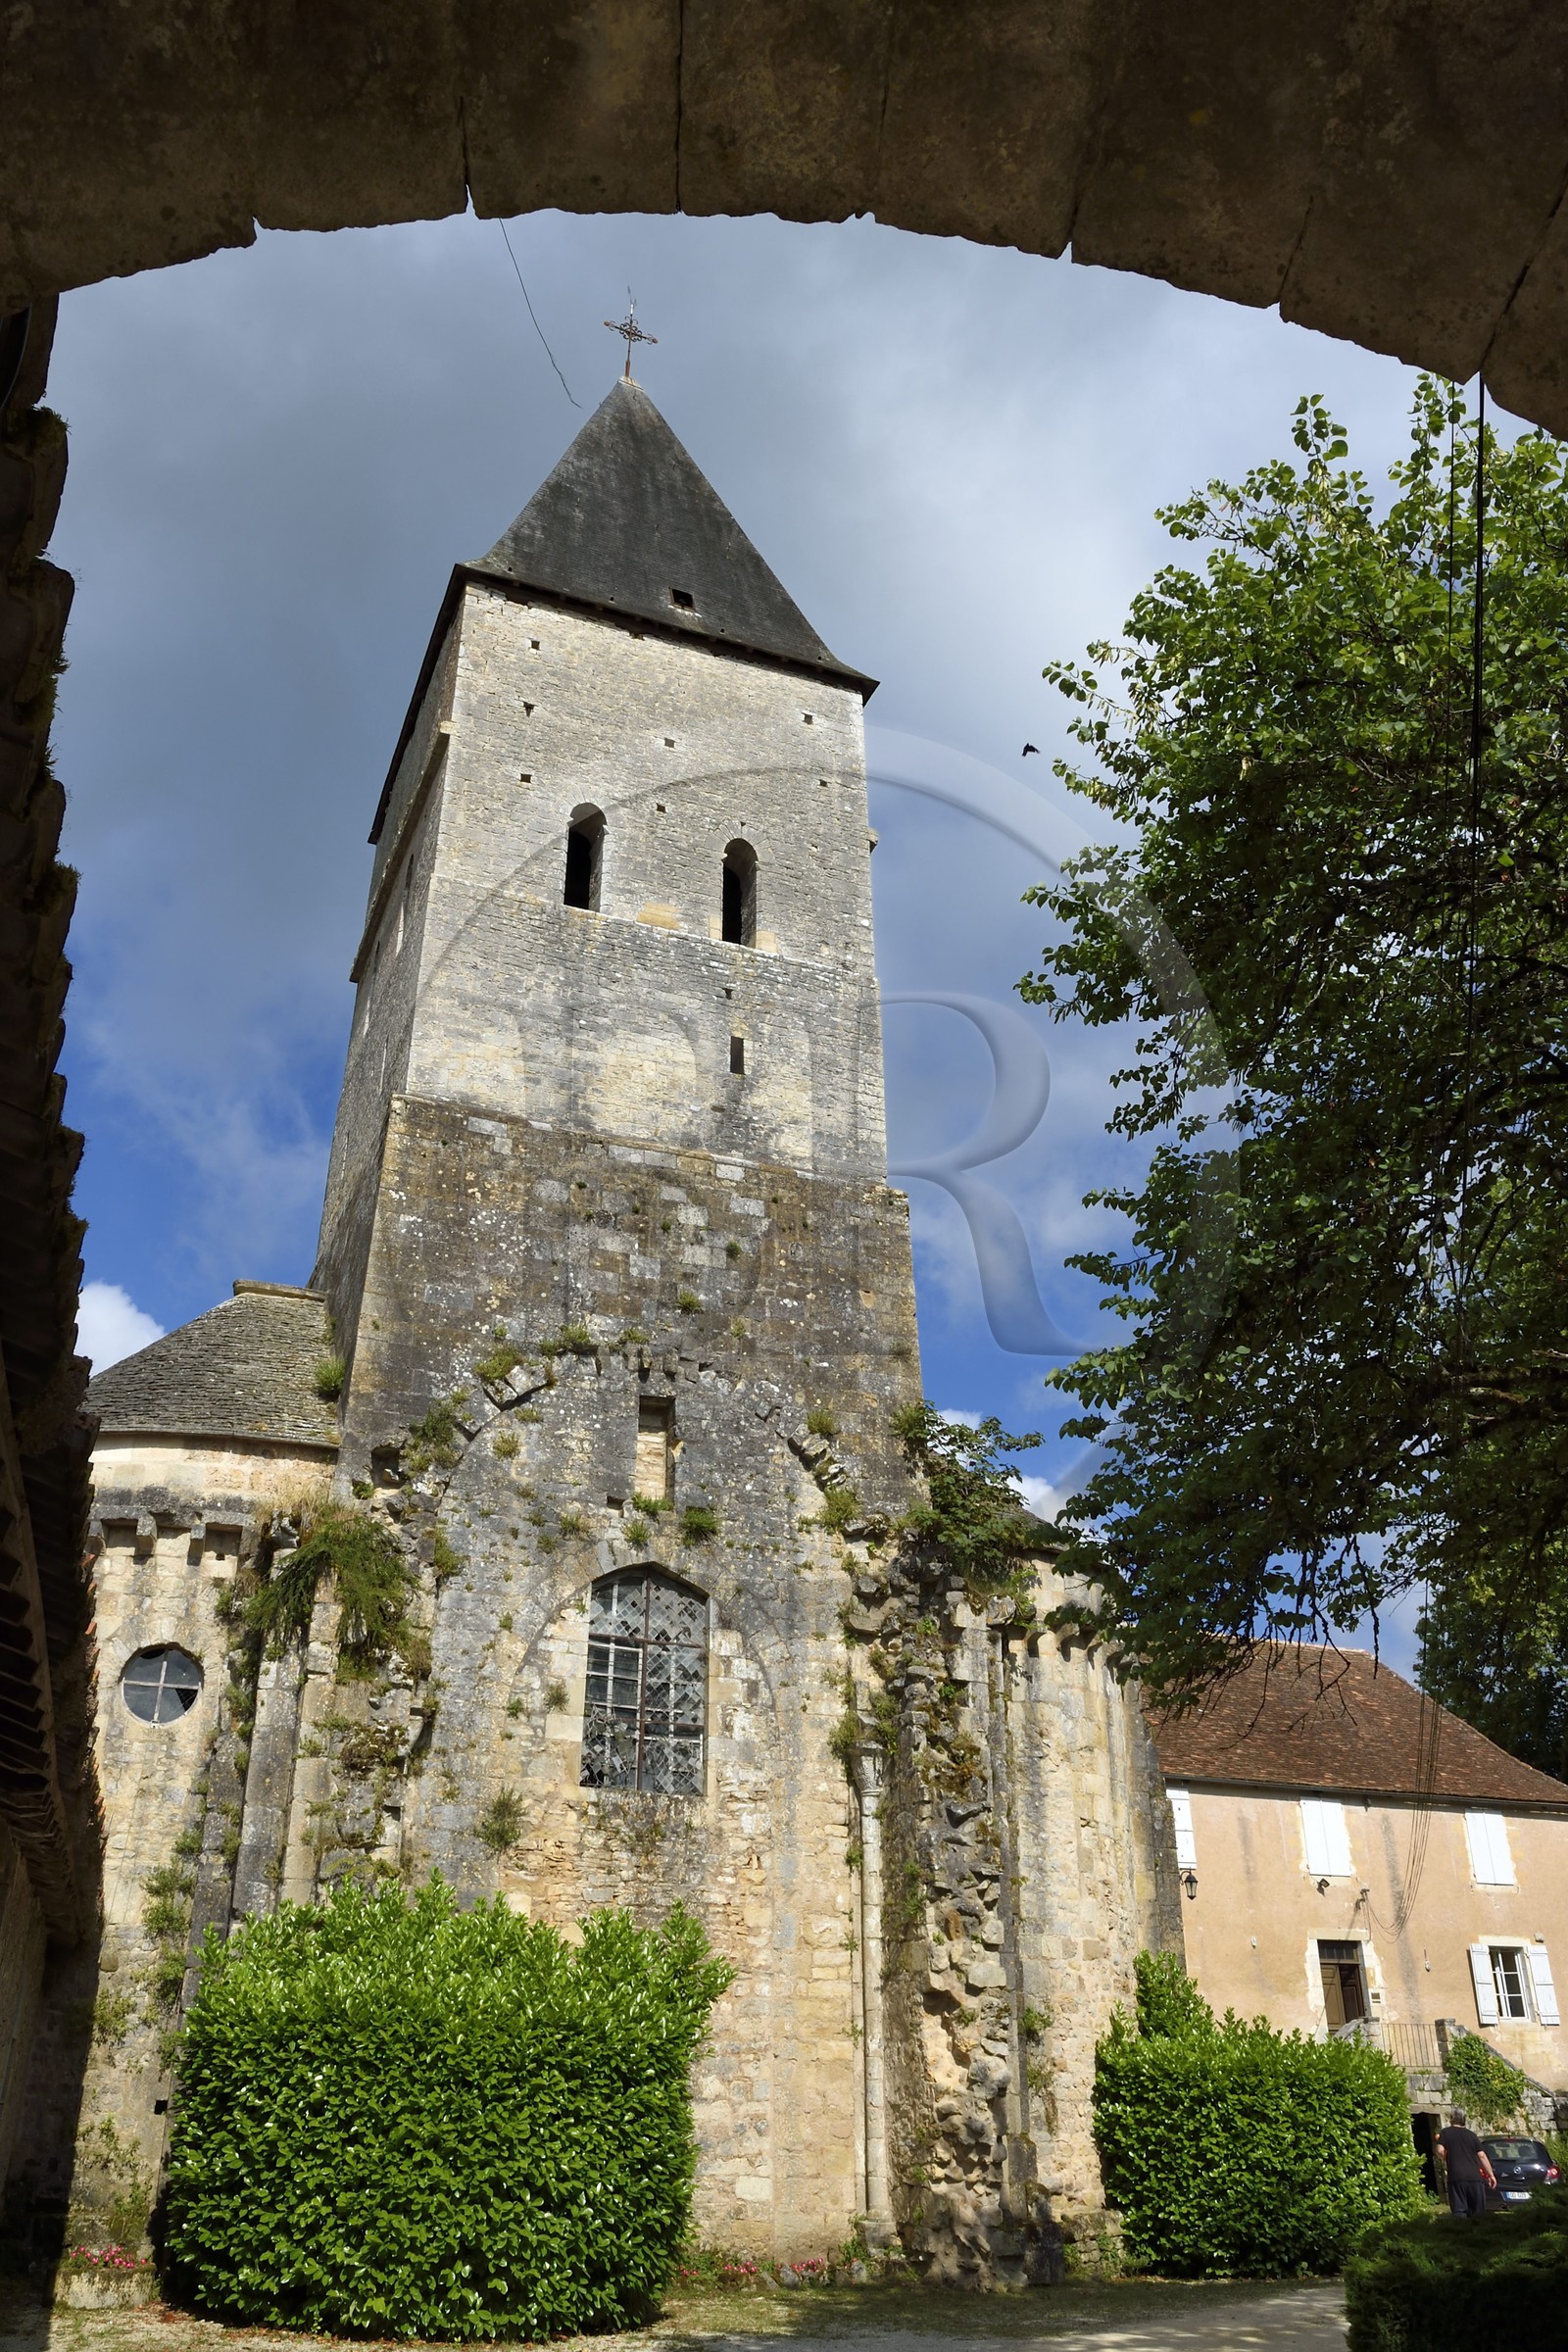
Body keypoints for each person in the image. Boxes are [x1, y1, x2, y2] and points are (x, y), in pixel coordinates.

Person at [1436, 2111, 1497, 2219]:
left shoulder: (1445, 2133)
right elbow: (1482, 2156)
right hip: (1475, 2178)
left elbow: (1439, 2150)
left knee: (1460, 2212)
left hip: (1456, 2177)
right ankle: (1478, 2233)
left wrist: (1447, 2158)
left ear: (1451, 2119)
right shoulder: (1472, 2135)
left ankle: (1463, 2233)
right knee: (1478, 2214)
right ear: (1464, 2120)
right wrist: (1491, 2175)